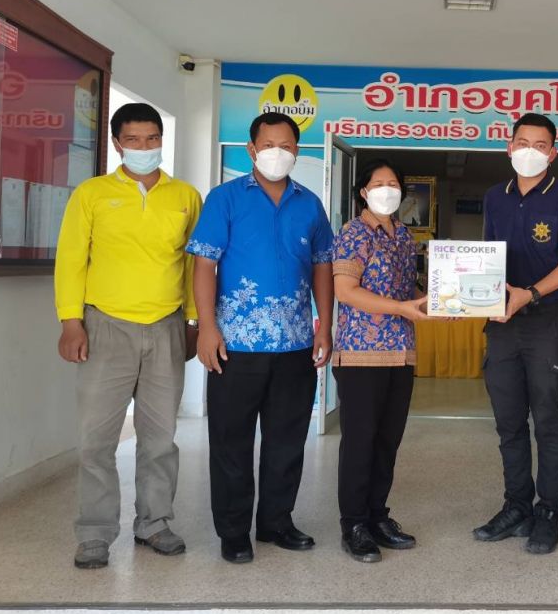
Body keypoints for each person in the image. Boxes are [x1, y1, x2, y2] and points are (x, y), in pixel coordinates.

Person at [55, 102, 202, 570]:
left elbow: (194, 264)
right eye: (134, 139)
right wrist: (70, 321)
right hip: (105, 326)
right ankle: (95, 533)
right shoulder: (92, 194)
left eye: (152, 138)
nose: (144, 147)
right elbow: (71, 258)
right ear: (117, 144)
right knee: (95, 440)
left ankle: (154, 523)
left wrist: (194, 321)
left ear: (162, 140)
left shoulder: (185, 196)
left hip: (166, 326)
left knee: (160, 439)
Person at [188, 112, 334, 565]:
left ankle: (276, 522)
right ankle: (234, 532)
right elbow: (204, 265)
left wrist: (324, 325)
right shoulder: (225, 198)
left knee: (287, 441)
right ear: (251, 150)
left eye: (286, 146)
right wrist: (207, 327)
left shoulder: (310, 204)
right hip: (235, 344)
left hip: (295, 344)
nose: (278, 153)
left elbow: (323, 268)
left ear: (297, 150)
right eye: (269, 145)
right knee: (230, 442)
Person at [475, 113, 558, 555]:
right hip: (502, 323)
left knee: (547, 420)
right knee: (508, 422)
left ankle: (550, 512)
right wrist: (467, 299)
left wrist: (531, 294)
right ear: (509, 147)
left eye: (540, 145)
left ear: (553, 153)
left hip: (545, 321)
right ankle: (516, 506)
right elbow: (486, 258)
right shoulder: (494, 197)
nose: (530, 152)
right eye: (522, 143)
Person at [331, 159, 430, 563]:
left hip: (400, 352)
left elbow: (411, 290)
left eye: (393, 184)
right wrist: (402, 308)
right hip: (361, 353)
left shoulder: (403, 235)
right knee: (360, 442)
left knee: (387, 441)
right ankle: (354, 524)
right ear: (363, 192)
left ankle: (377, 516)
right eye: (378, 184)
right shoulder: (354, 233)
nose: (386, 190)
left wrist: (439, 301)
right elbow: (346, 290)